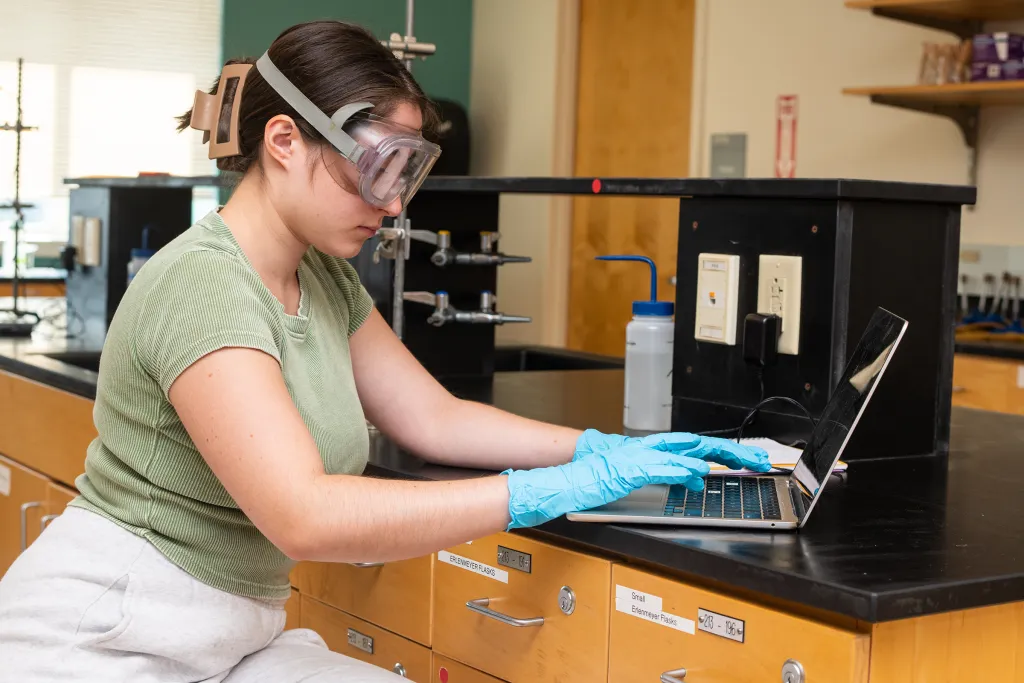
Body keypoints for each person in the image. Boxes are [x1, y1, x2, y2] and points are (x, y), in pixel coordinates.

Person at [0, 20, 768, 683]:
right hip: (104, 639)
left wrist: (610, 450)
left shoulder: (322, 277)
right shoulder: (204, 284)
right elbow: (305, 515)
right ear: (283, 142)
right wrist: (539, 491)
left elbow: (432, 418)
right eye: (375, 170)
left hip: (221, 639)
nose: (394, 203)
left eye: (407, 173)